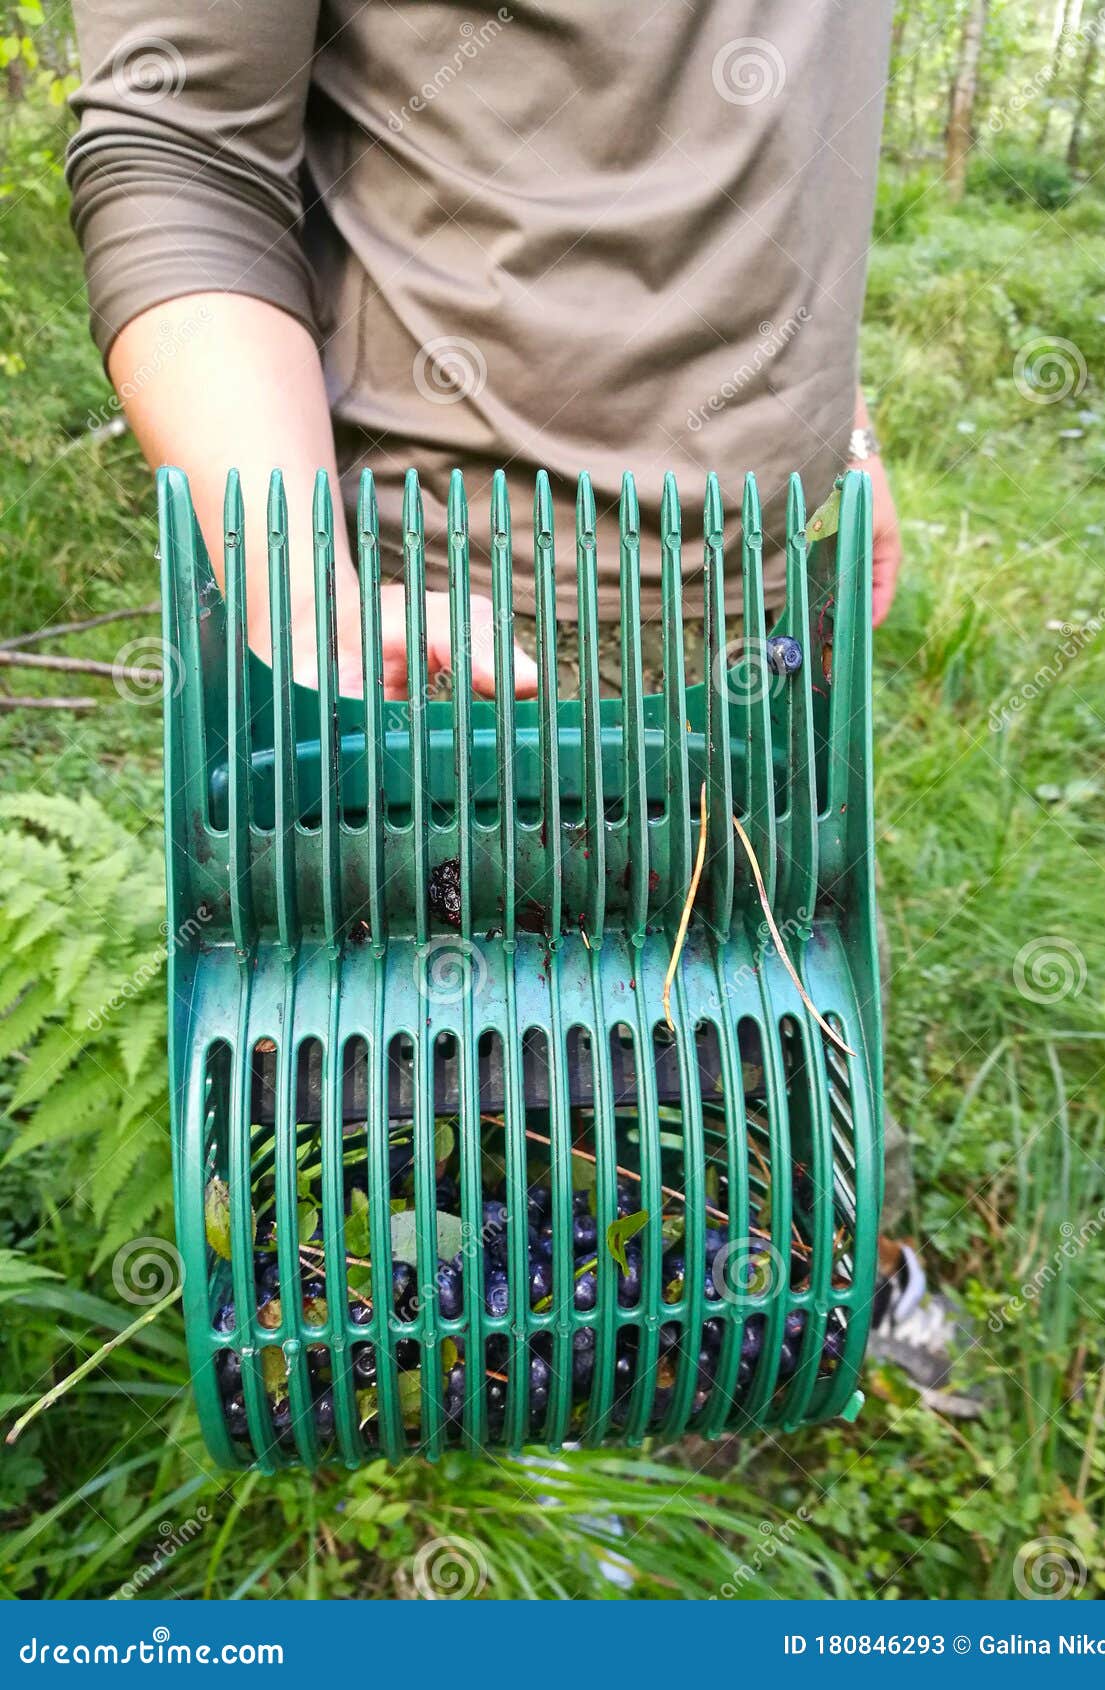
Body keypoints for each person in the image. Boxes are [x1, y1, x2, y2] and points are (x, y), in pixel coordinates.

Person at [67, 1, 959, 1399]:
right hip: (463, 655)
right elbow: (179, 141)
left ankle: (826, 1272)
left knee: (787, 1005)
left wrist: (844, 420)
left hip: (777, 608)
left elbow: (776, 134)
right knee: (504, 1122)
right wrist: (308, 597)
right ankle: (548, 1400)